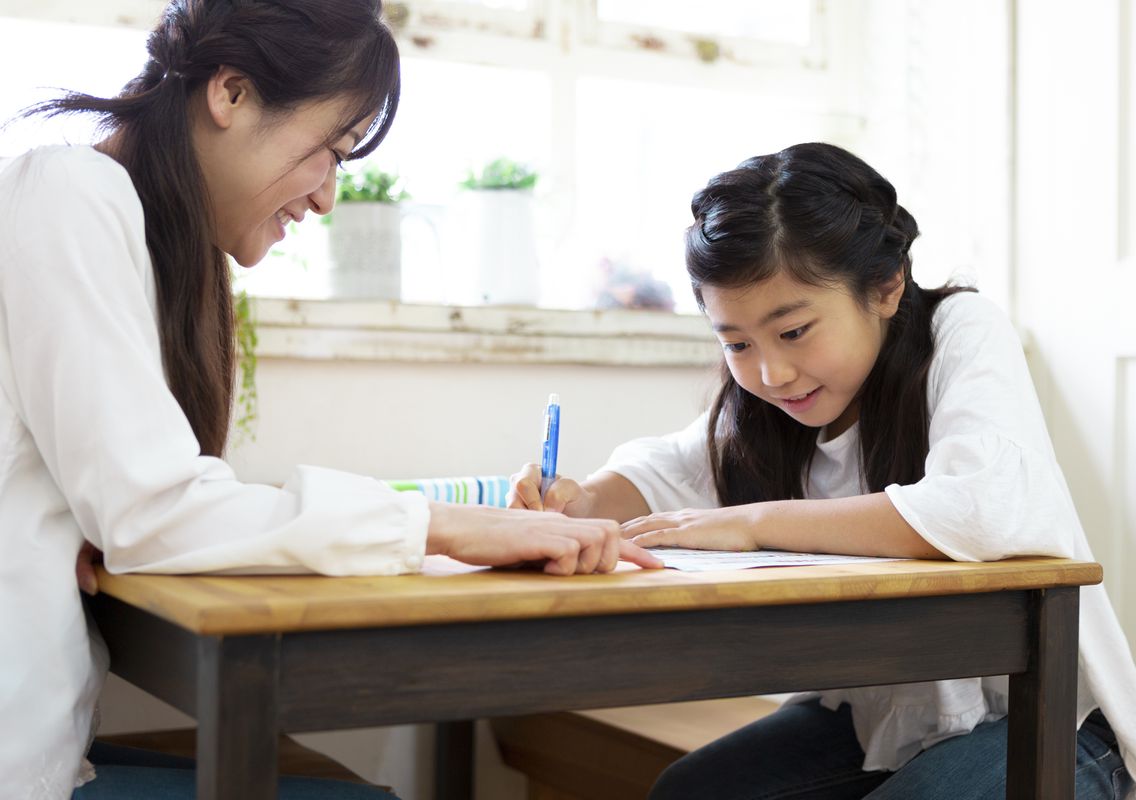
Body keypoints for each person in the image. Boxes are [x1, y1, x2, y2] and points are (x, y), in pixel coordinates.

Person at [0, 1, 660, 797]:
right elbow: (154, 516)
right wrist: (448, 526)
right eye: (331, 149)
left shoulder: (120, 224)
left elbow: (141, 512)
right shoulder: (70, 190)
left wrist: (103, 519)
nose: (327, 199)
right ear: (232, 93)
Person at [509, 143, 1136, 799]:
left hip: (1043, 718)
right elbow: (662, 471)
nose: (771, 372)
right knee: (689, 789)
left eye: (795, 330)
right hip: (878, 721)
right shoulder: (769, 406)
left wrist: (753, 524)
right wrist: (577, 505)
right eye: (737, 342)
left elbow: (986, 506)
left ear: (885, 288)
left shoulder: (960, 329)